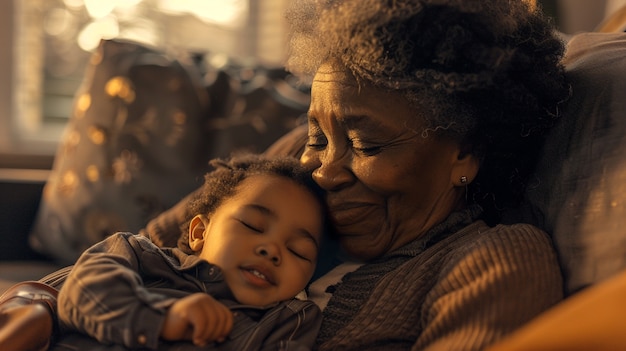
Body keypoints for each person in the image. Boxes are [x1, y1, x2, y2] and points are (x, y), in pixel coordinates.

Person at [0, 0, 572, 350]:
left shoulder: (494, 261)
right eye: (321, 135)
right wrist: (32, 302)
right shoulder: (297, 167)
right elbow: (136, 254)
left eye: (367, 144)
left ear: (465, 154)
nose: (324, 170)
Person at [52, 153, 327, 350]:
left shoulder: (291, 320)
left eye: (298, 251)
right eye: (252, 226)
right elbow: (80, 291)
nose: (272, 250)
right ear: (200, 232)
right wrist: (161, 319)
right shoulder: (140, 255)